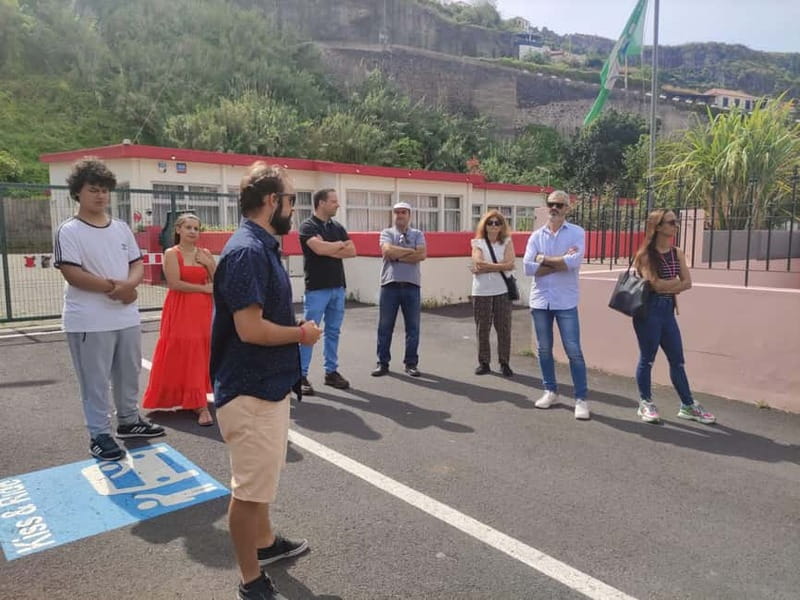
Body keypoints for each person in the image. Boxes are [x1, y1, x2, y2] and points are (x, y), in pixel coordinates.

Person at [210, 162, 321, 600]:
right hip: (250, 389)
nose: (293, 209)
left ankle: (265, 543)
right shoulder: (248, 252)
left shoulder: (261, 245)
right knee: (249, 489)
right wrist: (301, 334)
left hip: (266, 386)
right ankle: (251, 580)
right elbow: (250, 330)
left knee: (261, 480)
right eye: (291, 200)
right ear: (273, 202)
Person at [54, 158, 165, 461]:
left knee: (129, 372)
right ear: (78, 192)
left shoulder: (120, 228)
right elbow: (71, 272)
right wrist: (117, 289)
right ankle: (99, 434)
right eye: (93, 190)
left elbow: (137, 263)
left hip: (125, 317)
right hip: (89, 320)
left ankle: (129, 421)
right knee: (95, 380)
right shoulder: (69, 230)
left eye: (104, 190)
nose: (100, 196)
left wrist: (129, 286)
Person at [631, 209, 716, 425]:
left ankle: (687, 405)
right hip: (648, 311)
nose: (675, 226)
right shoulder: (645, 255)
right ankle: (645, 403)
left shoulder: (676, 252)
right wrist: (672, 285)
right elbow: (655, 284)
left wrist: (667, 287)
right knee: (647, 359)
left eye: (675, 222)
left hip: (667, 311)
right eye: (671, 222)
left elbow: (687, 282)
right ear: (658, 226)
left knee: (677, 360)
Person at [142, 213, 215, 426]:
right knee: (186, 350)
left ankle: (195, 397)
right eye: (189, 227)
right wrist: (203, 288)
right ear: (178, 230)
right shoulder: (171, 253)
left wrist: (209, 265)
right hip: (181, 309)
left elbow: (217, 282)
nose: (193, 232)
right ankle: (199, 404)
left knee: (201, 351)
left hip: (203, 310)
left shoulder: (205, 253)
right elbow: (174, 283)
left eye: (196, 228)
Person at [523, 190, 590, 420]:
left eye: (559, 205)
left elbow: (574, 261)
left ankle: (581, 398)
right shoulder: (536, 236)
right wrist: (559, 261)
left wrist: (543, 259)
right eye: (551, 204)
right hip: (541, 299)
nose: (554, 208)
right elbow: (527, 267)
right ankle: (550, 391)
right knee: (544, 349)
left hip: (565, 300)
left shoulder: (576, 233)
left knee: (573, 350)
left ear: (567, 209)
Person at [298, 189, 357, 395]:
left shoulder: (337, 227)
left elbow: (352, 251)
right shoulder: (307, 226)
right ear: (321, 203)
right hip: (317, 289)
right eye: (333, 201)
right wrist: (338, 247)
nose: (337, 205)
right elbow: (318, 249)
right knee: (308, 333)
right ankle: (300, 375)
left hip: (337, 287)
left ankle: (331, 372)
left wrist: (330, 246)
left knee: (333, 332)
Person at [372, 201, 427, 377]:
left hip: (411, 286)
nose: (400, 215)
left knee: (413, 328)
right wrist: (410, 252)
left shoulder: (418, 234)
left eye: (403, 212)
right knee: (385, 327)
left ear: (409, 215)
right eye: (397, 212)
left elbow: (422, 255)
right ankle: (383, 363)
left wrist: (398, 256)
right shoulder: (386, 233)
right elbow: (387, 252)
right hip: (390, 285)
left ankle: (411, 363)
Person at [470, 210, 515, 376]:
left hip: (502, 290)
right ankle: (484, 362)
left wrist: (487, 268)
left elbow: (510, 263)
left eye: (498, 223)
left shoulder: (507, 242)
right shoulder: (478, 242)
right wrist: (501, 266)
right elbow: (478, 262)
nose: (494, 226)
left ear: (502, 226)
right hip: (482, 291)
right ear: (485, 225)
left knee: (504, 328)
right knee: (483, 328)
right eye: (490, 223)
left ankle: (504, 362)